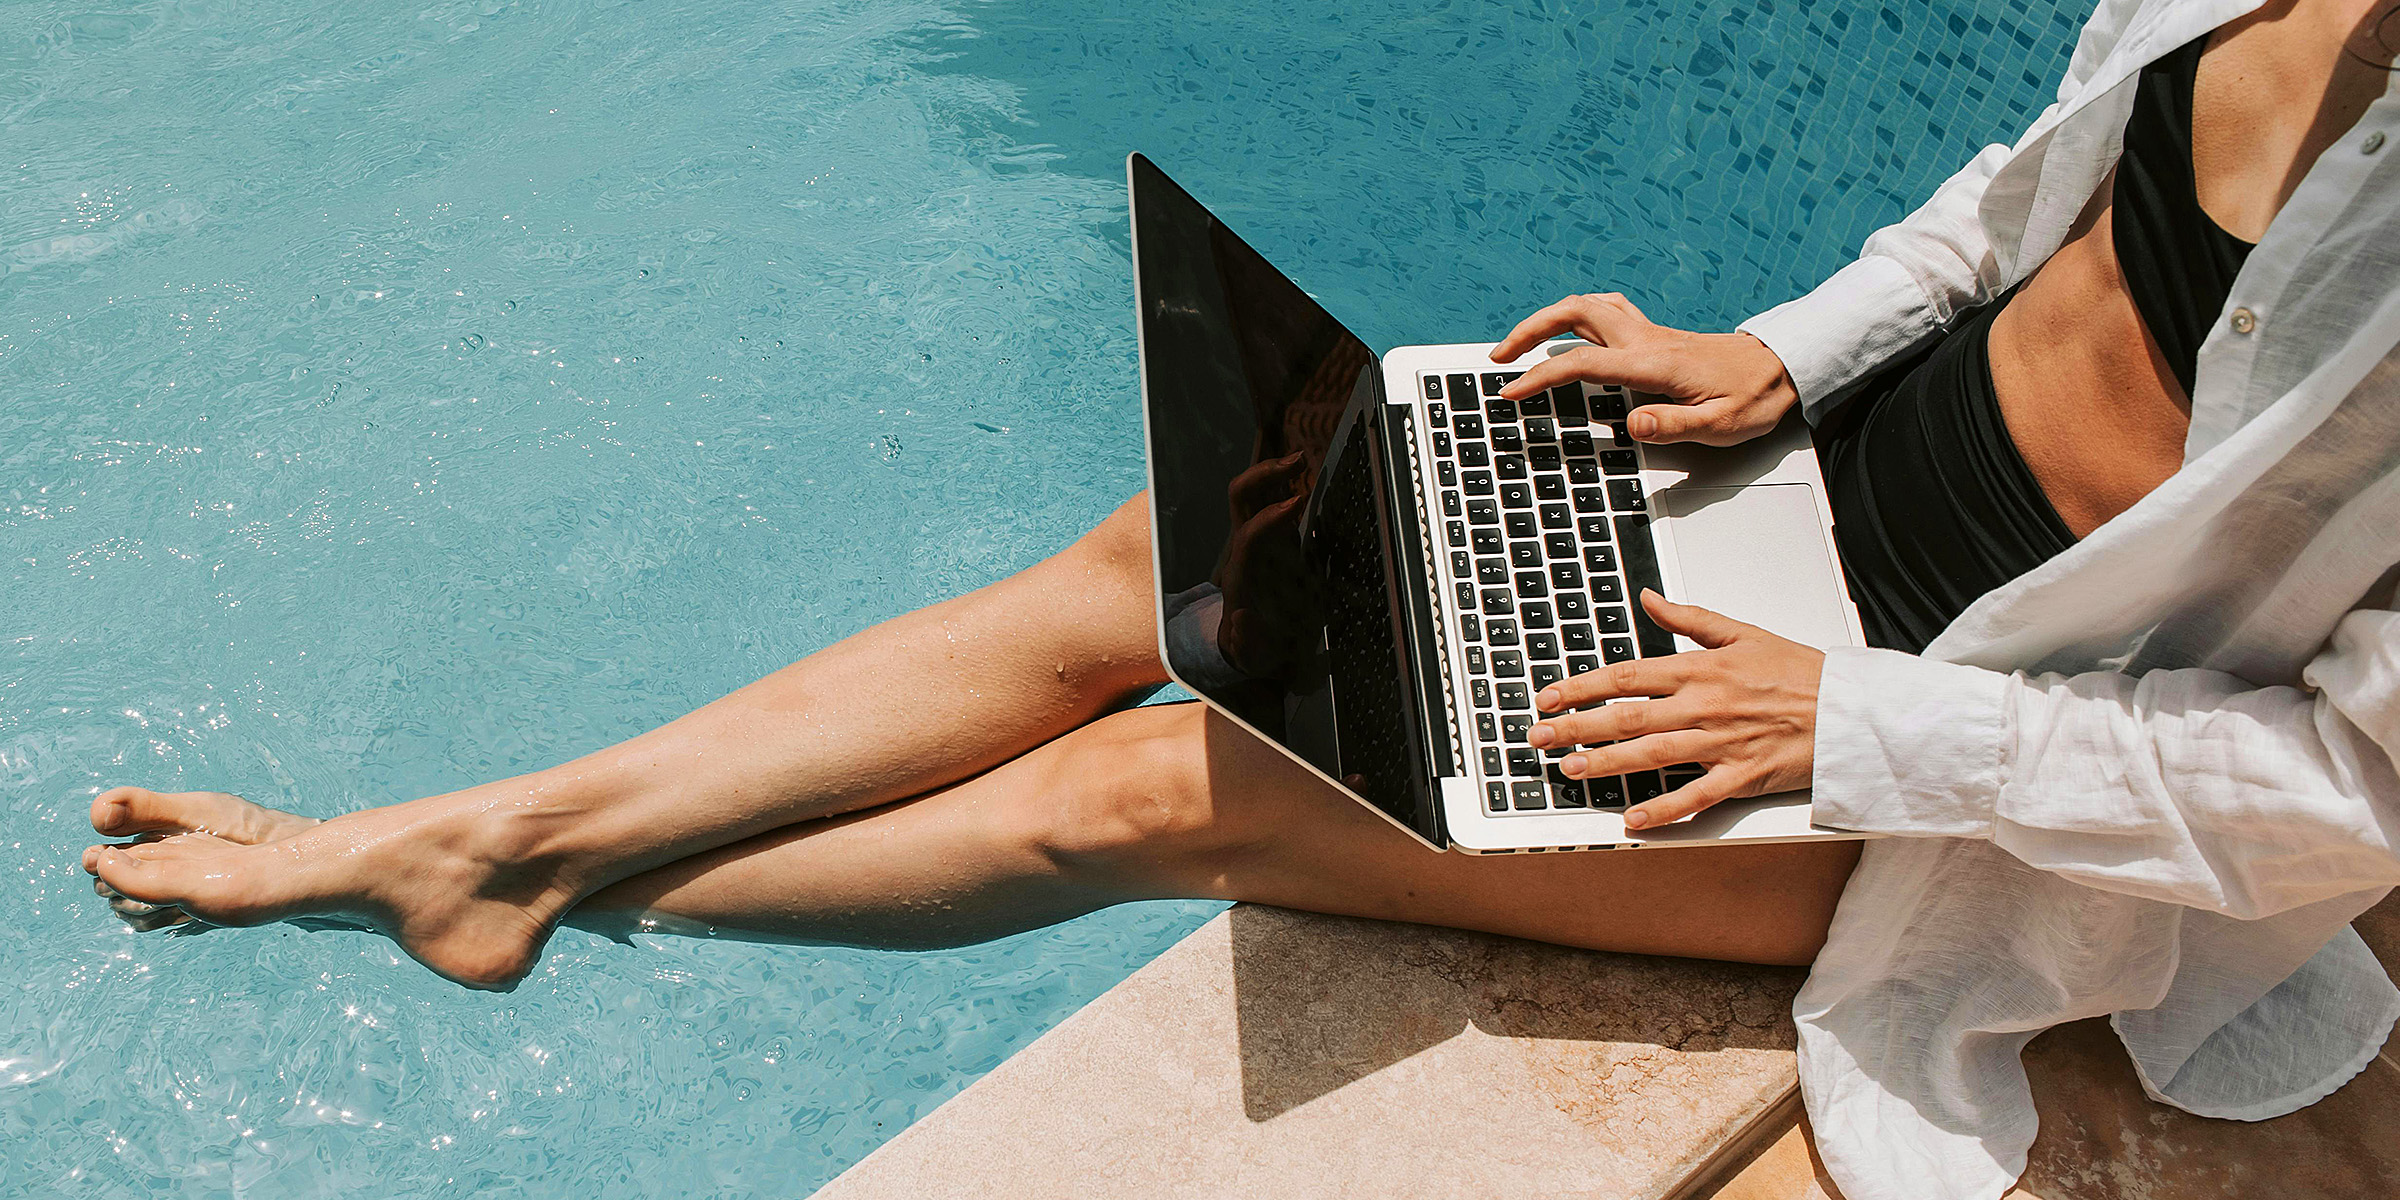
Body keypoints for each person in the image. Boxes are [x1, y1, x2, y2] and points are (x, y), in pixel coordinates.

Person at [81, 0, 2400, 1195]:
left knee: (1166, 788)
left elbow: (2350, 796)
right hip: (1783, 497)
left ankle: (513, 882)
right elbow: (2018, 198)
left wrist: (1843, 728)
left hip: (1935, 772)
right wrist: (1780, 355)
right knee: (1162, 557)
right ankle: (491, 841)